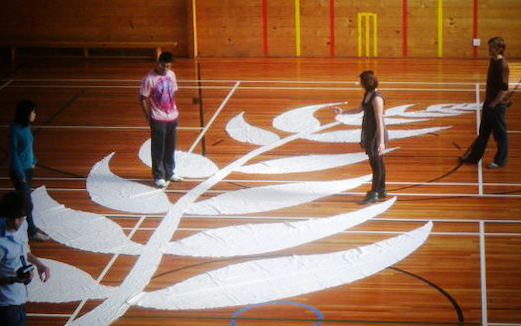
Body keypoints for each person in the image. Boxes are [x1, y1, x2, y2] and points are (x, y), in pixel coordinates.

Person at [335, 70, 388, 204]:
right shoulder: (368, 95)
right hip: (369, 131)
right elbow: (359, 109)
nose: (360, 84)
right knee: (378, 162)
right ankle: (381, 189)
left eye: (361, 82)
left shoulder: (377, 98)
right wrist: (343, 112)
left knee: (376, 163)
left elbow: (379, 121)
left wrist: (381, 143)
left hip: (376, 133)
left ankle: (374, 193)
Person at [0, 192, 51, 326]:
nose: (17, 223)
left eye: (20, 218)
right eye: (12, 218)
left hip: (20, 297)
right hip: (6, 304)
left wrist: (40, 265)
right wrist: (14, 279)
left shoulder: (23, 226)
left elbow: (24, 251)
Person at [460, 37, 510, 169]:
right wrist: (489, 103)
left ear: (499, 49)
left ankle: (500, 161)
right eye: (489, 46)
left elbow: (504, 90)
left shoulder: (502, 65)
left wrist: (494, 103)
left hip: (496, 106)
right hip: (489, 104)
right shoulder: (493, 61)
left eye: (492, 47)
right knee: (483, 132)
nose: (489, 49)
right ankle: (473, 157)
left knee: (500, 135)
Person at [140, 51, 183, 188]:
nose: (165, 69)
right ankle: (158, 175)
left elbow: (172, 94)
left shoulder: (172, 75)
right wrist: (149, 118)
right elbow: (142, 99)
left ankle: (169, 172)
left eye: (168, 66)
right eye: (163, 66)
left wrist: (174, 111)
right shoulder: (149, 79)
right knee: (158, 148)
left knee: (170, 147)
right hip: (157, 118)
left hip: (172, 117)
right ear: (158, 63)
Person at [8, 101, 48, 241]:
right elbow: (13, 154)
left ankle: (24, 227)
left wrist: (33, 161)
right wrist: (20, 175)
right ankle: (31, 231)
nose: (35, 114)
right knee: (27, 202)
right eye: (33, 112)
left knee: (25, 200)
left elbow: (27, 148)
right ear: (26, 114)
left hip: (28, 169)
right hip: (19, 172)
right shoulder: (14, 130)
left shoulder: (26, 127)